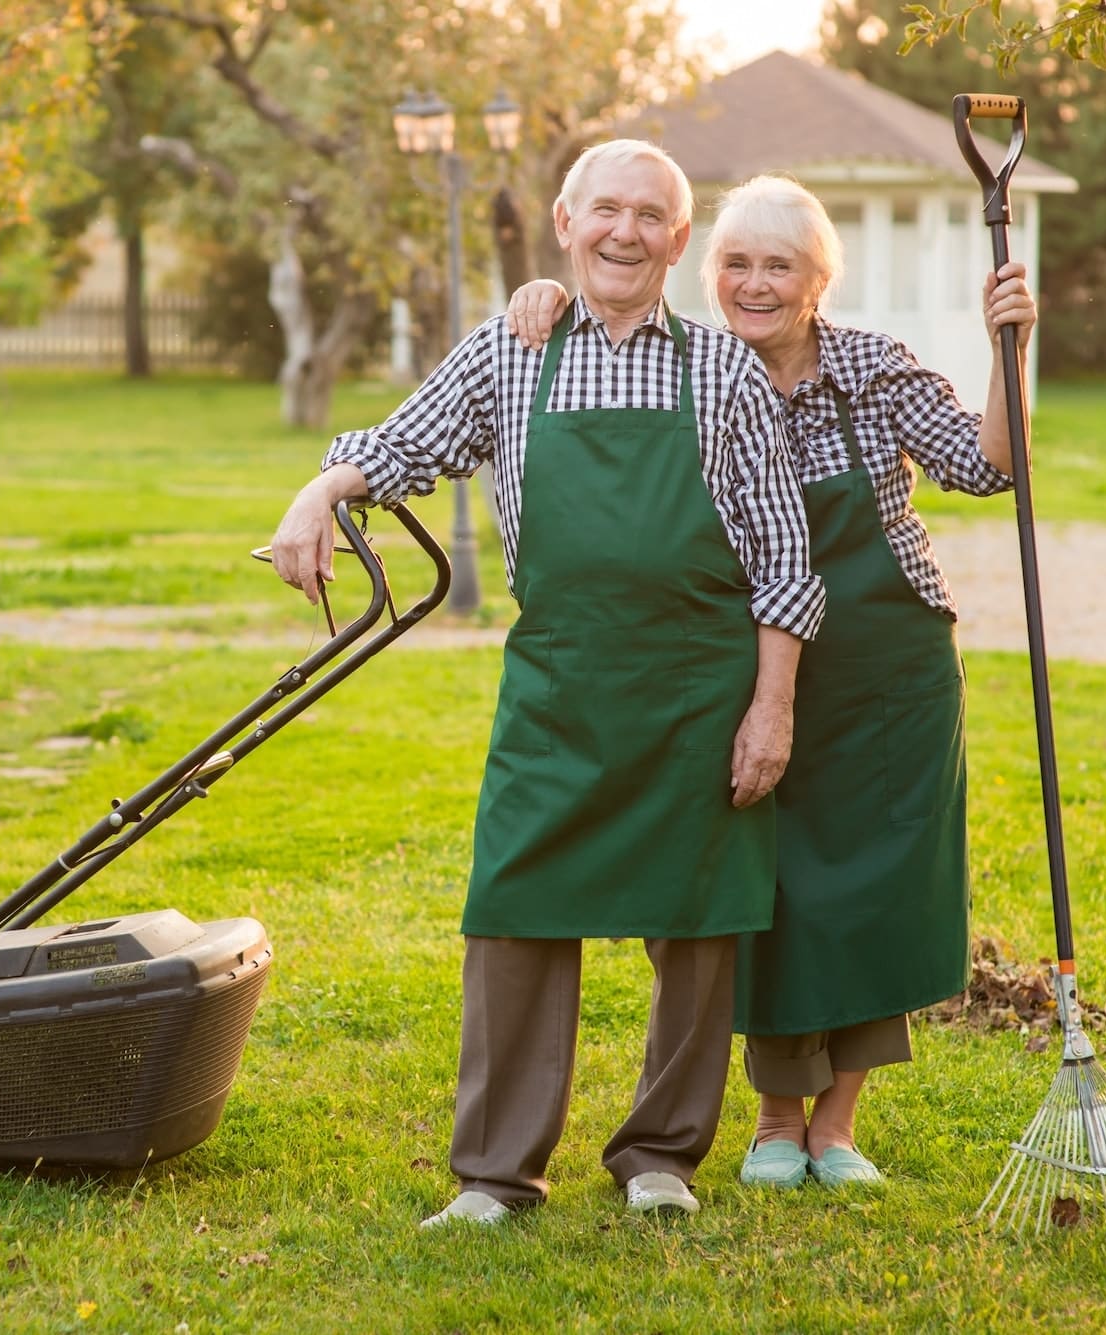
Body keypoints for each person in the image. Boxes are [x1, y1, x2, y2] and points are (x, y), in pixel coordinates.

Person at [270, 142, 825, 1227]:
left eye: (648, 215)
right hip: (560, 685)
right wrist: (318, 491)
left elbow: (780, 561)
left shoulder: (722, 373)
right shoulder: (509, 350)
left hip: (696, 688)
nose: (624, 231)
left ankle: (660, 1155)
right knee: (514, 911)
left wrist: (771, 706)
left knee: (700, 925)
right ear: (565, 223)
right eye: (603, 209)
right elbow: (404, 443)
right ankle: (495, 1174)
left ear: (677, 240)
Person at [506, 172, 1037, 1189]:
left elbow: (985, 468)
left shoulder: (873, 371)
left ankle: (836, 1123)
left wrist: (1009, 346)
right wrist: (545, 298)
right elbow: (590, 336)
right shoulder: (689, 371)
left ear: (816, 280)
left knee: (875, 887)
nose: (755, 283)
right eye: (736, 263)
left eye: (778, 265)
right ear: (706, 273)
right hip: (741, 673)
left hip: (886, 668)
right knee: (767, 888)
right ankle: (773, 1118)